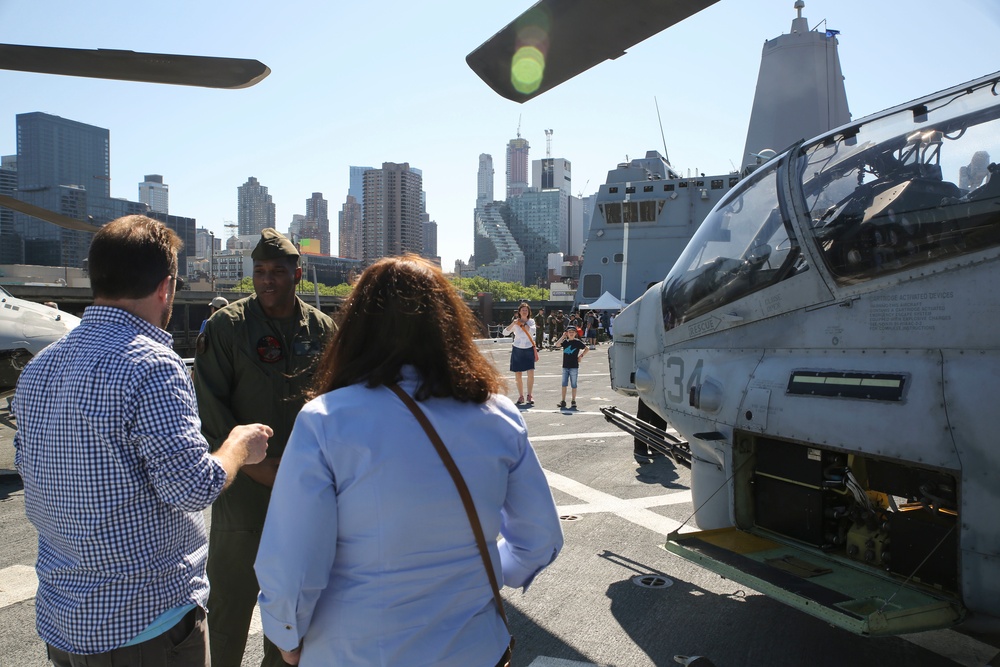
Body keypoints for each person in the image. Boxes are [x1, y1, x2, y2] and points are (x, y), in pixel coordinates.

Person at [254, 255, 563, 666]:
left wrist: (286, 636)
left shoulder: (327, 420)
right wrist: (484, 570)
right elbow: (540, 539)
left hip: (354, 651)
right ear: (449, 326)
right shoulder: (499, 415)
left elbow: (292, 558)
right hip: (474, 649)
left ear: (358, 328)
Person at [12, 215, 271, 666]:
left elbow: (33, 478)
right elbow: (192, 487)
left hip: (64, 619)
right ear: (166, 287)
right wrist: (238, 446)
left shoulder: (41, 367)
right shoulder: (153, 364)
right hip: (144, 624)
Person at [193, 228, 335, 667]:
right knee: (229, 606)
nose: (267, 280)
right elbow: (210, 409)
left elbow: (338, 401)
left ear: (297, 273)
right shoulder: (226, 327)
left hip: (304, 493)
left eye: (277, 271)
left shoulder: (324, 328)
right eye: (259, 272)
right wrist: (258, 468)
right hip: (244, 494)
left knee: (294, 608)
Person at [502, 301, 536, 405]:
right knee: (518, 373)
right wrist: (514, 323)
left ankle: (529, 395)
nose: (525, 312)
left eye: (526, 310)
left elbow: (533, 331)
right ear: (519, 312)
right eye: (523, 310)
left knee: (530, 372)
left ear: (529, 312)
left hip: (528, 348)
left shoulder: (531, 322)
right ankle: (521, 396)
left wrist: (525, 325)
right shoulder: (516, 322)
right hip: (517, 348)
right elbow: (505, 333)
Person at [553, 325, 588, 409]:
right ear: (567, 333)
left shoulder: (577, 342)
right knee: (564, 384)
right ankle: (563, 400)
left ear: (575, 333)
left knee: (574, 384)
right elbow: (557, 345)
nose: (571, 334)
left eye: (573, 332)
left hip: (574, 366)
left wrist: (581, 356)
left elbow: (587, 348)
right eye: (569, 332)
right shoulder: (565, 342)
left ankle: (573, 400)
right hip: (565, 365)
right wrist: (563, 336)